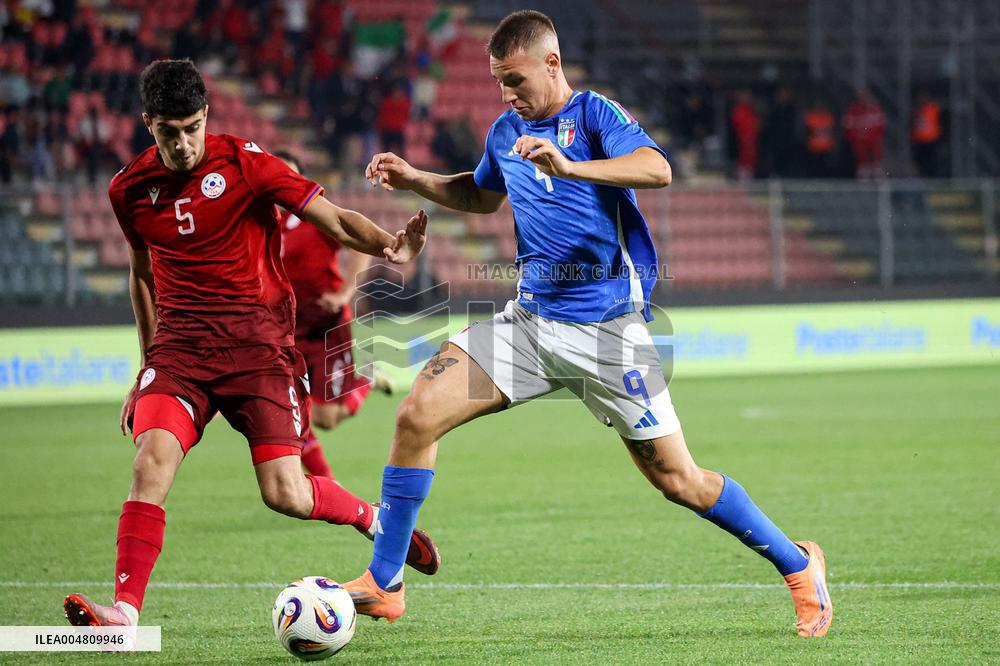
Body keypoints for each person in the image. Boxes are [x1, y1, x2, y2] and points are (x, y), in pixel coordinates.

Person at [345, 10, 833, 638]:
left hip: (606, 333)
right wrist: (416, 179)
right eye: (498, 82)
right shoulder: (504, 128)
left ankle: (799, 566)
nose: (507, 94)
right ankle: (385, 583)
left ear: (552, 63)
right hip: (527, 323)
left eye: (515, 80)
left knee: (679, 481)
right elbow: (481, 194)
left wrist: (570, 167)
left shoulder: (595, 115)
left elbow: (658, 168)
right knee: (417, 413)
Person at [62, 59, 438, 630]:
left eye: (193, 127)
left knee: (285, 492)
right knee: (151, 462)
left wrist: (392, 247)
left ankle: (376, 520)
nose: (185, 143)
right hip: (181, 355)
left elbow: (332, 218)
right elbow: (141, 274)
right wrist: (146, 364)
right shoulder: (128, 190)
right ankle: (125, 615)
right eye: (170, 132)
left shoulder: (246, 163)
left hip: (260, 353)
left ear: (207, 116)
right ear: (148, 125)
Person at [272, 149, 395, 479]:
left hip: (327, 327)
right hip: (286, 330)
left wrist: (345, 293)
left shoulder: (314, 216)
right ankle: (324, 486)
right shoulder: (263, 224)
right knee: (287, 410)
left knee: (327, 418)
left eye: (289, 175)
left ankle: (366, 377)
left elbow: (358, 244)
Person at [843, 89, 886, 179]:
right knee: (862, 163)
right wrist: (857, 136)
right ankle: (863, 179)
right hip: (859, 141)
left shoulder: (874, 109)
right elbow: (848, 127)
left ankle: (878, 178)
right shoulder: (853, 111)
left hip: (873, 140)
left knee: (876, 162)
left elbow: (881, 125)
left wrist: (875, 136)